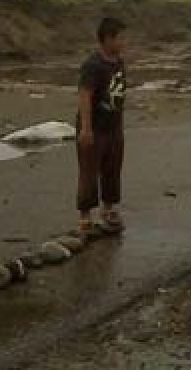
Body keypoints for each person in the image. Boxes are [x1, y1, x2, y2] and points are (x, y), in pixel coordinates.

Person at [76, 17, 128, 237]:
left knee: (112, 169)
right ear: (108, 39)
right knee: (89, 171)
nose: (124, 42)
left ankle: (108, 209)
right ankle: (85, 216)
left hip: (114, 126)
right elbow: (85, 95)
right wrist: (86, 129)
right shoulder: (92, 65)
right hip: (95, 126)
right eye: (121, 38)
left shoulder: (119, 62)